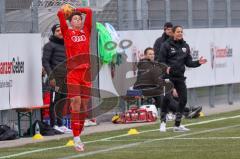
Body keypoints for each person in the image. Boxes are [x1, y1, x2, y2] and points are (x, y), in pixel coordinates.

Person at [57, 5, 92, 151]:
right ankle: (76, 138)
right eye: (74, 19)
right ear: (70, 22)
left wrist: (76, 8)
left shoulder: (86, 31)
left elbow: (89, 11)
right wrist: (67, 10)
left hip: (86, 73)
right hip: (73, 73)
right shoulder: (67, 32)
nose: (77, 21)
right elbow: (60, 13)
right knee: (75, 103)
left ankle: (79, 130)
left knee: (84, 106)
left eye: (79, 19)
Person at [159, 25, 207, 132]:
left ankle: (177, 125)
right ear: (173, 33)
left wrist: (198, 63)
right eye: (178, 31)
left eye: (181, 31)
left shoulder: (185, 46)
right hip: (168, 77)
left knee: (183, 100)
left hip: (180, 77)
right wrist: (166, 68)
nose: (180, 33)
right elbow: (161, 61)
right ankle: (163, 122)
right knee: (167, 98)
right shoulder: (165, 45)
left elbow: (188, 62)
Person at [42, 24, 71, 134]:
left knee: (62, 101)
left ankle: (61, 124)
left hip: (65, 78)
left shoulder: (66, 45)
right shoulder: (49, 46)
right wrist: (51, 76)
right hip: (55, 79)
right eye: (58, 30)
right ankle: (53, 125)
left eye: (62, 30)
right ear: (53, 32)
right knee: (54, 101)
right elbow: (45, 62)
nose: (60, 32)